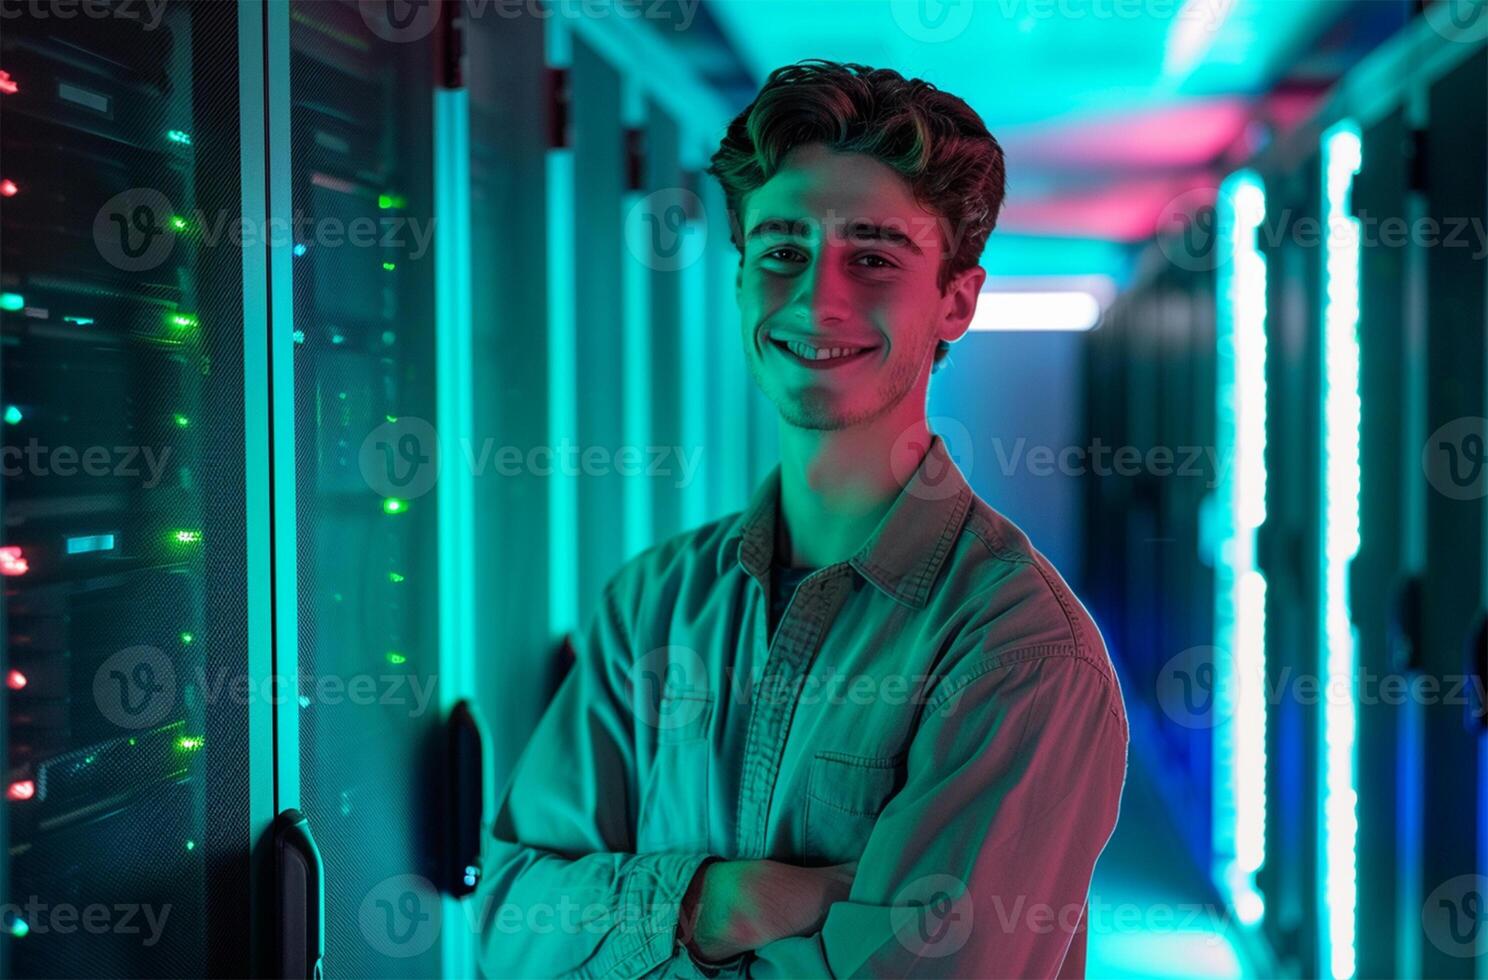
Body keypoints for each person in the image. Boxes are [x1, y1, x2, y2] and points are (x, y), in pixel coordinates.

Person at [475, 60, 1128, 978]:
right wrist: (720, 901)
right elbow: (507, 924)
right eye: (781, 251)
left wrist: (632, 924)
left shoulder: (1020, 654)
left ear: (955, 302)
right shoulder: (652, 605)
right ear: (741, 281)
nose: (816, 299)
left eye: (872, 257)